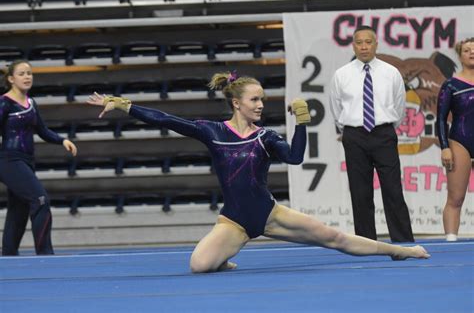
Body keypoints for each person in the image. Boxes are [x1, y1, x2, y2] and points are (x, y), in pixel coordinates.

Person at [87, 71, 429, 273]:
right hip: (234, 221)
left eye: (262, 99)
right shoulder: (212, 131)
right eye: (254, 100)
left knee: (334, 239)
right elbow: (168, 120)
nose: (261, 105)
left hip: (269, 214)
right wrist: (125, 105)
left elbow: (295, 158)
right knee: (198, 266)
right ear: (237, 103)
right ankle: (224, 259)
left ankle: (398, 250)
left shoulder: (266, 137)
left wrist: (303, 125)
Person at [328, 25, 414, 242]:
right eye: (359, 42)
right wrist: (349, 129)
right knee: (360, 192)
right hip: (354, 136)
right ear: (353, 45)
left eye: (368, 42)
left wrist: (385, 128)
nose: (364, 46)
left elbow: (399, 106)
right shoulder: (342, 74)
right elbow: (336, 108)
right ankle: (365, 242)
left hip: (383, 134)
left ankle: (403, 241)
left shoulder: (391, 72)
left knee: (393, 190)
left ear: (376, 44)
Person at [0, 60, 77, 256]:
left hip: (25, 160)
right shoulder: (4, 103)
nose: (27, 77)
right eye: (22, 73)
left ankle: (8, 255)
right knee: (40, 199)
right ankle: (45, 254)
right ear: (10, 79)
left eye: (29, 73)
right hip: (8, 160)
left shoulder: (31, 103)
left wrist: (62, 141)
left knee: (19, 210)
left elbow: (42, 130)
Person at [436, 37, 474, 242]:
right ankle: (451, 240)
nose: (472, 53)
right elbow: (441, 118)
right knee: (456, 197)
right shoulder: (451, 84)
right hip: (460, 141)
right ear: (460, 55)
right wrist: (445, 147)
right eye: (467, 50)